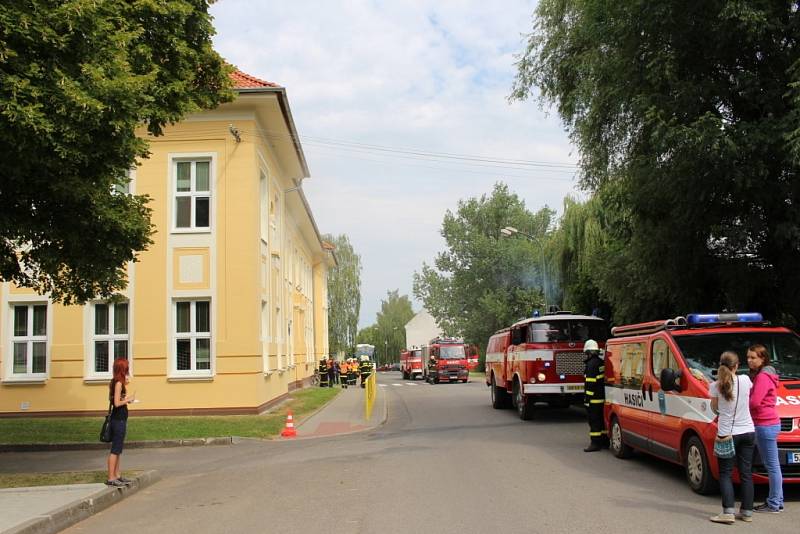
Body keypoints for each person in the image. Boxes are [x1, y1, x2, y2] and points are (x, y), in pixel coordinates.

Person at [709, 351, 755, 524]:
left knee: (725, 473)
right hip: (748, 431)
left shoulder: (715, 386)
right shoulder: (745, 380)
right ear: (737, 365)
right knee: (746, 473)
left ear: (720, 365)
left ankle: (728, 512)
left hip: (727, 433)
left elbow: (715, 409)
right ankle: (747, 512)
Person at [747, 344, 783, 513]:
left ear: (762, 359)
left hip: (764, 423)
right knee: (774, 466)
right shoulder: (768, 375)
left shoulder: (762, 377)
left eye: (753, 357)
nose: (750, 361)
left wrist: (743, 405)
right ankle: (778, 501)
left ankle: (773, 503)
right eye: (748, 357)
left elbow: (754, 402)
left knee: (772, 466)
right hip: (771, 423)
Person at [106, 357, 135, 488]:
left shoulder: (114, 382)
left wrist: (125, 397)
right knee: (115, 450)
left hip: (118, 419)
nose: (128, 370)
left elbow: (114, 398)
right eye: (126, 368)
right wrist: (128, 400)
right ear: (122, 369)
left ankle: (117, 475)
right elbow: (117, 403)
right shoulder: (117, 383)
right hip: (118, 420)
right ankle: (111, 477)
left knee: (118, 449)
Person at [582, 339, 607, 452]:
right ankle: (604, 441)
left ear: (589, 352)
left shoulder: (591, 365)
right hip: (601, 397)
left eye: (586, 353)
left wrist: (587, 399)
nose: (586, 355)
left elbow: (590, 383)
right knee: (601, 421)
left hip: (594, 399)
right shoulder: (600, 362)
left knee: (594, 421)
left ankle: (595, 443)